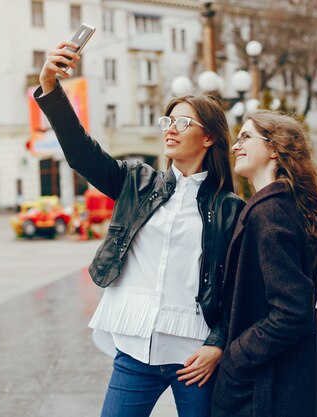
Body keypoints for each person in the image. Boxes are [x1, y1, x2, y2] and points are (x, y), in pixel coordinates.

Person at [34, 41, 244, 417]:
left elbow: (238, 286)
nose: (170, 130)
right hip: (135, 349)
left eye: (183, 123)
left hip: (195, 358)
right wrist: (50, 86)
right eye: (167, 121)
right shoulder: (136, 182)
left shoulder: (230, 209)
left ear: (209, 136)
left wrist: (218, 343)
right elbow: (81, 152)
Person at [211, 111, 317, 417]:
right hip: (287, 373)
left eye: (246, 137)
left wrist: (236, 355)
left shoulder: (269, 213)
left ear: (273, 148)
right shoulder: (281, 204)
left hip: (271, 383)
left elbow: (293, 310)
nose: (235, 146)